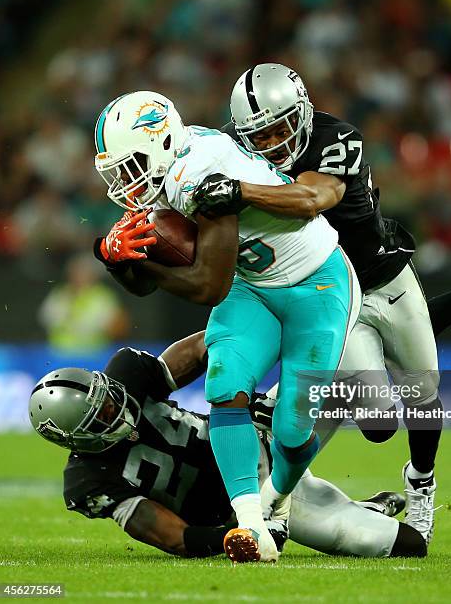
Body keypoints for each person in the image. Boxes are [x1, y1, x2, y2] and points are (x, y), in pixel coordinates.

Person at [192, 63, 451, 544]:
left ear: (303, 112)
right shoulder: (230, 148)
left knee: (423, 394)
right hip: (331, 290)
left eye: (279, 129)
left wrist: (241, 190)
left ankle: (420, 486)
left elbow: (314, 196)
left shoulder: (336, 137)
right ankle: (290, 442)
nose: (270, 144)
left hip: (385, 276)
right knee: (376, 421)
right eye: (259, 135)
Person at [91, 90, 361, 562]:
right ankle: (251, 527)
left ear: (160, 142)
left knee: (292, 432)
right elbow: (145, 287)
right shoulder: (170, 170)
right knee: (226, 387)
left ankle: (278, 495)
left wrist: (144, 264)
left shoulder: (197, 174)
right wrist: (116, 260)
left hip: (315, 283)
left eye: (130, 165)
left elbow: (206, 287)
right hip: (254, 284)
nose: (125, 182)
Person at [28, 335, 426, 561]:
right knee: (407, 546)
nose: (116, 410)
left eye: (110, 398)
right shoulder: (87, 481)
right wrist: (237, 537)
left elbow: (207, 347)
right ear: (73, 438)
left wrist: (236, 351)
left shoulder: (126, 373)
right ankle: (366, 509)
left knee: (348, 354)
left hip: (257, 433)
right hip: (251, 502)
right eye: (102, 416)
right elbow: (175, 538)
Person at [38, 252, 129, 353]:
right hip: (60, 354)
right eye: (76, 272)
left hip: (93, 354)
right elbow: (45, 318)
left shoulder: (103, 297)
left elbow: (118, 326)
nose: (79, 276)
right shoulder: (60, 294)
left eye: (83, 272)